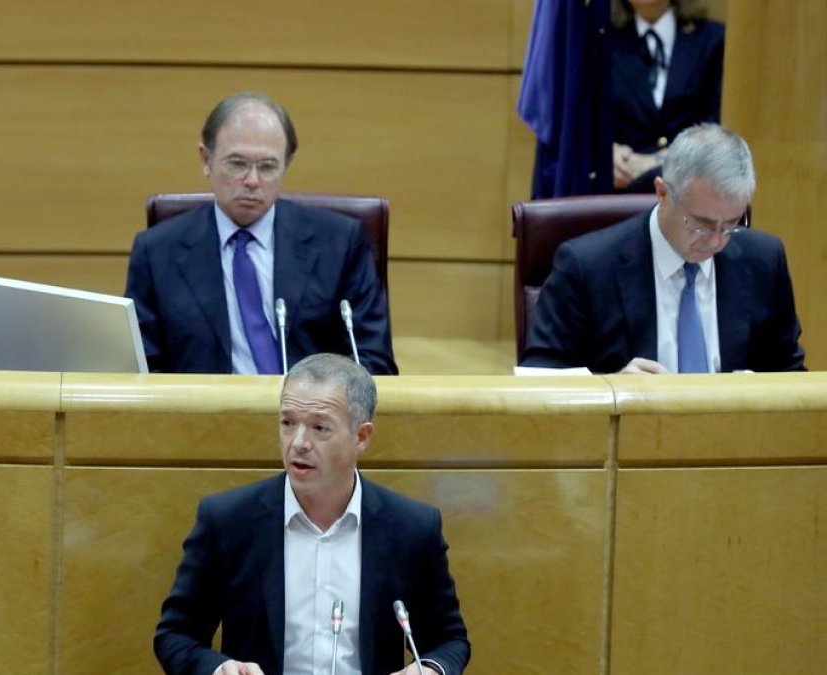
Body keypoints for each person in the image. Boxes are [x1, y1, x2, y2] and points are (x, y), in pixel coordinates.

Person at [155, 353, 469, 675]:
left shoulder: (412, 528)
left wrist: (430, 669)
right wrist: (217, 669)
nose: (298, 443)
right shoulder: (227, 520)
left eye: (319, 428)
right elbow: (176, 635)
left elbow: (449, 640)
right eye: (288, 423)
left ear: (361, 437)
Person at [125, 92, 397, 375]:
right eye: (237, 164)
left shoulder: (340, 243)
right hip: (203, 414)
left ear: (287, 164)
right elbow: (142, 369)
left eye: (267, 167)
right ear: (206, 159)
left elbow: (373, 363)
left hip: (310, 415)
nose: (252, 181)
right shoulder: (157, 252)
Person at [522, 124, 805, 374]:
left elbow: (790, 375)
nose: (717, 241)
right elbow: (539, 377)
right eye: (701, 224)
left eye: (731, 224)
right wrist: (610, 389)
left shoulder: (764, 261)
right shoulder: (587, 267)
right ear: (662, 193)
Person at [610, 0, 724, 192]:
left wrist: (657, 161)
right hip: (622, 195)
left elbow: (720, 127)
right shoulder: (603, 44)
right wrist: (607, 154)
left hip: (693, 193)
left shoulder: (715, 40)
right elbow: (587, 121)